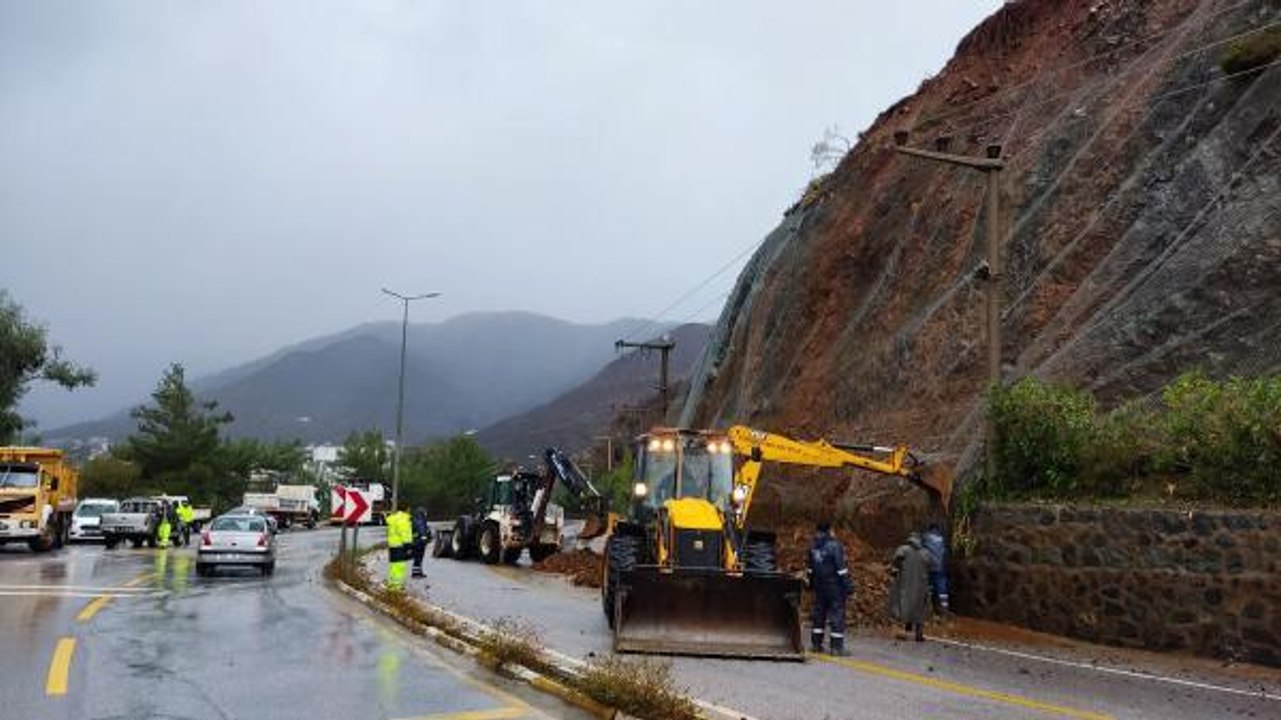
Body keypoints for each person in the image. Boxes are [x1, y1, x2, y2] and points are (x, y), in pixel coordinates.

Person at [806, 520, 853, 655]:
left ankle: (816, 644)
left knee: (819, 614)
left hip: (819, 586)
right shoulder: (835, 546)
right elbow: (841, 569)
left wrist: (810, 584)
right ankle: (836, 647)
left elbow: (810, 569)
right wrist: (848, 586)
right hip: (835, 587)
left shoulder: (813, 546)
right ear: (829, 530)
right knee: (837, 614)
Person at [889, 532, 932, 642]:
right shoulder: (926, 553)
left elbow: (895, 562)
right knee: (920, 609)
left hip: (905, 583)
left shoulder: (903, 550)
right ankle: (919, 634)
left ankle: (904, 631)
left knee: (904, 605)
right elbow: (930, 566)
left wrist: (895, 572)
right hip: (922, 586)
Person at [921, 522, 949, 616]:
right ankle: (944, 608)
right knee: (942, 587)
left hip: (928, 567)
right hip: (940, 567)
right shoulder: (941, 539)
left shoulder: (925, 537)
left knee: (928, 585)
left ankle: (926, 608)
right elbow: (944, 552)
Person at [385, 508, 412, 591]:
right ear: (407, 509)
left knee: (394, 566)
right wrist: (408, 545)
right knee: (399, 567)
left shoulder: (393, 518)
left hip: (392, 545)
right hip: (400, 546)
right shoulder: (402, 519)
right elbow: (404, 533)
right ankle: (397, 587)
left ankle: (392, 584)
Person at [410, 507, 431, 579]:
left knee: (418, 558)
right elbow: (421, 529)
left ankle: (417, 572)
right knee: (418, 557)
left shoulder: (417, 519)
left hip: (416, 541)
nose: (426, 514)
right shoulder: (420, 520)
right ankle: (416, 573)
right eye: (425, 512)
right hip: (418, 541)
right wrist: (424, 537)